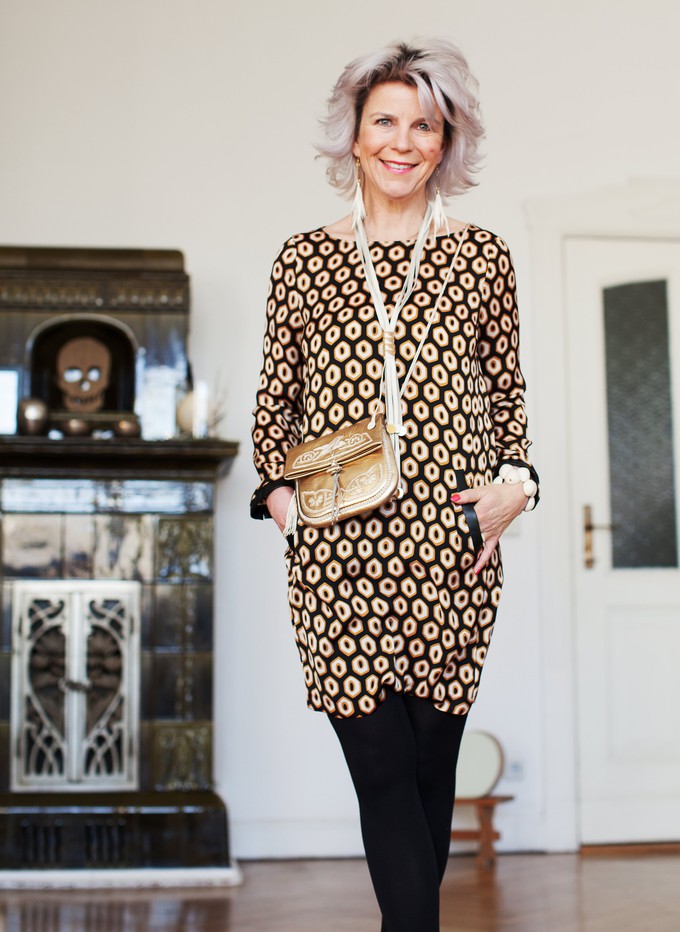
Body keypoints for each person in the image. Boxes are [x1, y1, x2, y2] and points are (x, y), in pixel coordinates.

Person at [251, 38, 539, 932]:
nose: (403, 142)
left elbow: (508, 399)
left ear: (446, 141)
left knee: (426, 771)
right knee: (379, 767)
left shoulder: (481, 258)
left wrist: (519, 487)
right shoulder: (304, 260)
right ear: (355, 133)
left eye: (424, 125)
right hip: (339, 555)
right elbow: (273, 412)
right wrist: (286, 506)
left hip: (452, 548)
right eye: (385, 121)